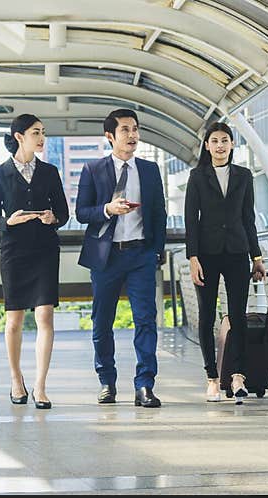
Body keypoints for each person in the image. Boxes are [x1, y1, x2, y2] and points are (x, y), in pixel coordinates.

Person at [75, 109, 167, 408]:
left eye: (136, 129)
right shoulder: (93, 169)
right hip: (107, 257)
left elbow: (159, 214)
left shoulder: (151, 170)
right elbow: (81, 212)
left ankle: (144, 386)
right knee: (102, 322)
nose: (133, 135)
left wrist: (155, 251)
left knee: (146, 320)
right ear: (110, 136)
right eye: (125, 130)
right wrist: (107, 209)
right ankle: (106, 382)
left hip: (140, 253)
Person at [0, 114, 69, 409]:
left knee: (45, 315)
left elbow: (63, 212)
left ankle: (41, 386)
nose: (42, 137)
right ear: (19, 136)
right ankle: (16, 378)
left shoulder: (50, 172)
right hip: (14, 252)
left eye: (43, 132)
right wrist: (9, 221)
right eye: (36, 132)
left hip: (45, 249)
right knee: (14, 320)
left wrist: (53, 217)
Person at [185, 122, 266, 405]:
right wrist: (192, 257)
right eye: (214, 140)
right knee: (207, 316)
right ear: (207, 146)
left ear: (232, 145)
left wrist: (256, 257)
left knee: (237, 316)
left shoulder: (244, 176)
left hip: (236, 252)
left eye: (225, 140)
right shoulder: (197, 177)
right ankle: (212, 379)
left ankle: (238, 376)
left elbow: (249, 219)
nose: (220, 145)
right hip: (206, 254)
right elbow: (190, 220)